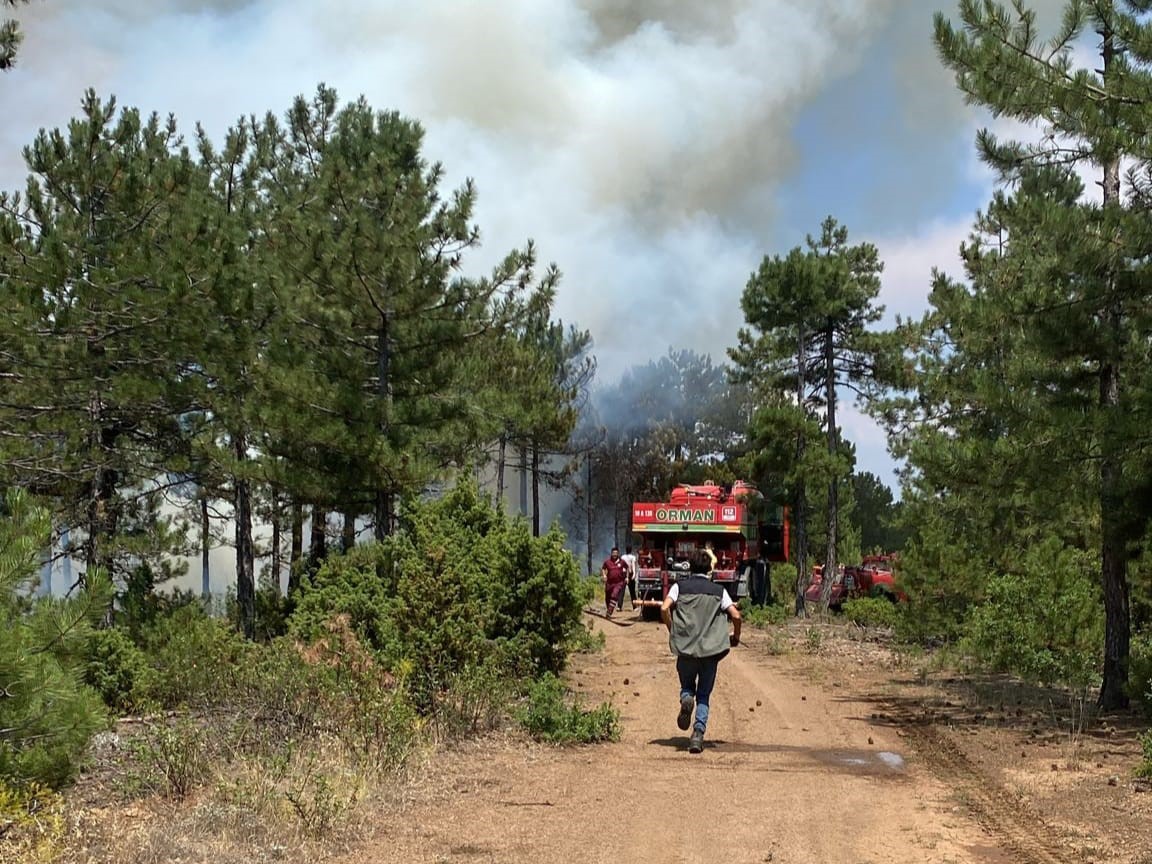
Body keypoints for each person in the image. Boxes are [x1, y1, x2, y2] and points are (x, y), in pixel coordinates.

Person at [661, 550, 741, 754]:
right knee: (704, 695)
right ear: (709, 569)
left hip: (686, 650)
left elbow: (664, 608)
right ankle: (697, 734)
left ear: (690, 567)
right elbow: (736, 615)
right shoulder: (718, 591)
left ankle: (686, 698)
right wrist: (735, 636)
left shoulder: (679, 587)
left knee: (687, 686)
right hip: (710, 652)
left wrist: (674, 631)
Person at [600, 546, 629, 618]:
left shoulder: (622, 562)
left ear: (618, 553)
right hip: (609, 583)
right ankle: (608, 609)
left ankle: (609, 612)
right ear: (611, 553)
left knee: (614, 595)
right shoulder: (607, 562)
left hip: (618, 583)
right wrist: (604, 575)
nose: (615, 554)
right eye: (613, 553)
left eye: (616, 553)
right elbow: (603, 568)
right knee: (608, 598)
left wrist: (627, 577)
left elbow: (627, 567)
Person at [620, 545, 639, 610]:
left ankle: (619, 606)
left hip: (623, 574)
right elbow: (633, 566)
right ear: (631, 550)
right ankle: (635, 607)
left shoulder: (623, 557)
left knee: (622, 591)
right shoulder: (633, 557)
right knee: (632, 591)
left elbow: (621, 566)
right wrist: (634, 574)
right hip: (630, 574)